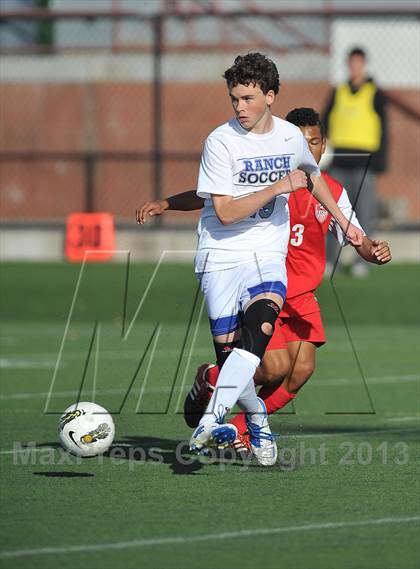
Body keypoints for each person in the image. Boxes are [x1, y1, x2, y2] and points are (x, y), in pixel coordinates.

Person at [137, 52, 363, 467]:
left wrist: (346, 226)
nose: (240, 107)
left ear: (270, 96)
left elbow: (312, 178)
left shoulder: (290, 137)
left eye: (247, 98)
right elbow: (223, 211)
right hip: (220, 255)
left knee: (258, 339)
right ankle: (255, 419)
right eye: (234, 99)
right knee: (234, 364)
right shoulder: (220, 142)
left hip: (265, 253)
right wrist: (277, 187)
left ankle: (212, 419)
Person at [322, 47, 388, 277]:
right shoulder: (338, 91)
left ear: (364, 64)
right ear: (347, 65)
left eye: (359, 63)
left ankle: (364, 260)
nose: (355, 67)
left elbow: (383, 129)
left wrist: (380, 162)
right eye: (352, 63)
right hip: (338, 160)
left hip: (364, 162)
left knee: (364, 212)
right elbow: (325, 122)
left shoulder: (375, 92)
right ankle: (331, 261)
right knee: (333, 212)